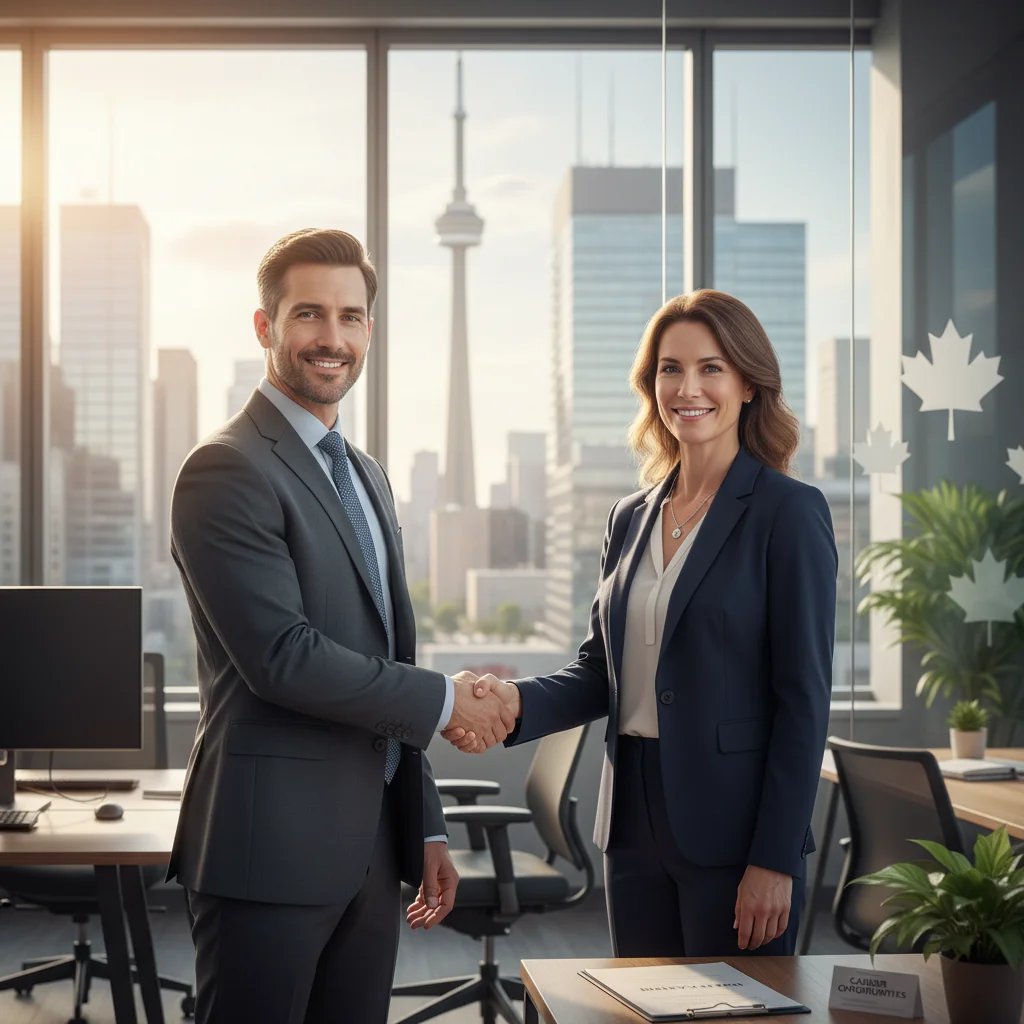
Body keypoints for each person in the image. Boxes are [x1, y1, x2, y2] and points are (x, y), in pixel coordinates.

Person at [168, 228, 515, 1024]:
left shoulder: (364, 474)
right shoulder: (225, 469)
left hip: (371, 852)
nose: (333, 339)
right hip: (271, 850)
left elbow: (388, 656)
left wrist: (423, 821)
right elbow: (282, 659)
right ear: (265, 327)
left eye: (352, 317)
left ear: (369, 330)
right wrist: (446, 699)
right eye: (309, 315)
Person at [445, 290, 837, 958]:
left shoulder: (787, 513)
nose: (688, 388)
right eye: (669, 369)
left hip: (734, 830)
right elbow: (603, 670)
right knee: (639, 1003)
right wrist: (512, 703)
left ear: (748, 384)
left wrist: (775, 858)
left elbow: (803, 701)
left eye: (711, 368)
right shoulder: (631, 516)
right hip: (632, 822)